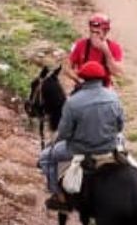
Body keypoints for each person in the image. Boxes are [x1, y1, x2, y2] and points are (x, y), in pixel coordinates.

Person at [39, 60, 124, 211]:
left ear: (83, 78)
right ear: (101, 78)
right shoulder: (113, 97)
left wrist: (56, 141)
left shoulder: (73, 102)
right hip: (108, 148)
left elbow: (64, 133)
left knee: (46, 157)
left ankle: (60, 198)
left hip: (80, 149)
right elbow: (120, 126)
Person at [65, 13, 124, 88]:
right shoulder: (80, 45)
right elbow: (67, 68)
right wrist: (78, 79)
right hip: (83, 87)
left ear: (105, 32)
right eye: (92, 32)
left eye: (97, 32)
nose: (94, 35)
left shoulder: (114, 47)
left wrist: (106, 51)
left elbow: (117, 73)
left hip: (104, 88)